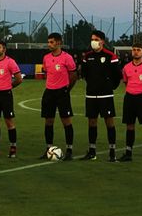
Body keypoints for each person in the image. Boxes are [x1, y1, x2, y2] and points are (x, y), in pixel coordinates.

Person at [79, 30, 121, 161]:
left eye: (96, 39)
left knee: (109, 122)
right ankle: (92, 151)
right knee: (92, 122)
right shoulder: (87, 56)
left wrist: (109, 87)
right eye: (92, 39)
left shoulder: (111, 56)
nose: (93, 42)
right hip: (91, 95)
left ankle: (112, 152)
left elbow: (117, 76)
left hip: (106, 96)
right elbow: (84, 74)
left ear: (102, 41)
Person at [40, 32, 77, 160]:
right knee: (48, 121)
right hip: (49, 92)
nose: (49, 44)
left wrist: (67, 89)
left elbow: (73, 76)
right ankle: (48, 149)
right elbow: (47, 72)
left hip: (62, 93)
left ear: (59, 43)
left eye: (51, 42)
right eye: (48, 42)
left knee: (66, 121)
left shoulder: (67, 58)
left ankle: (69, 150)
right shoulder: (46, 58)